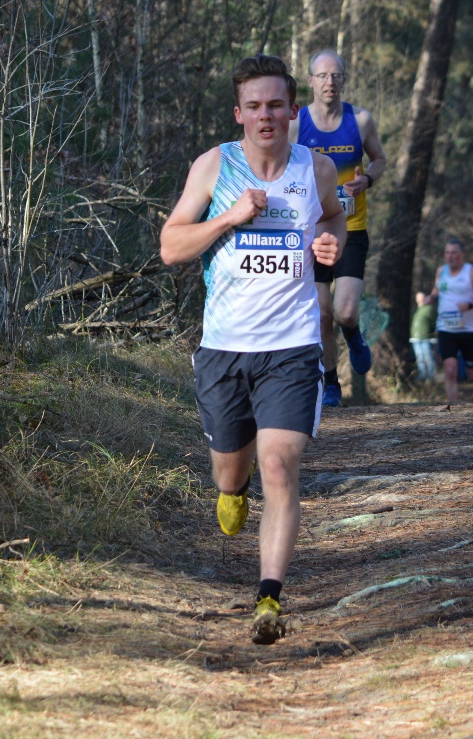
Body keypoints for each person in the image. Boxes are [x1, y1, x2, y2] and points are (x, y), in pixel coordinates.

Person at [160, 54, 347, 643]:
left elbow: (337, 218)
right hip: (224, 348)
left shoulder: (314, 169)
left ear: (294, 111)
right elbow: (170, 246)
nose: (266, 116)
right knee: (232, 469)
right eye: (255, 107)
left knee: (279, 465)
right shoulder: (215, 166)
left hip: (291, 347)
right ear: (239, 113)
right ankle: (231, 490)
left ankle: (269, 597)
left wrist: (329, 243)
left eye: (276, 106)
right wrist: (229, 220)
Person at [292, 49, 388, 408]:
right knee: (321, 312)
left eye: (336, 76)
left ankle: (355, 336)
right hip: (310, 232)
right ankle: (330, 382)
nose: (329, 82)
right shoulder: (295, 124)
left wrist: (369, 180)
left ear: (343, 80)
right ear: (311, 81)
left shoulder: (360, 120)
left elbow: (379, 159)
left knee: (345, 311)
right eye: (322, 76)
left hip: (351, 227)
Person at [428, 239, 473, 403]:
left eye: (454, 252)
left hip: (468, 329)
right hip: (445, 328)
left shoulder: (471, 272)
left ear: (461, 255)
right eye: (447, 253)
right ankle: (453, 408)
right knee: (450, 368)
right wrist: (431, 297)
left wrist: (471, 305)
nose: (450, 256)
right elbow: (437, 290)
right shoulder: (441, 271)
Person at [410, 292, 439, 382]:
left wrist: (433, 332)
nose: (420, 299)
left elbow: (435, 322)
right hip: (415, 338)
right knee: (420, 358)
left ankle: (431, 377)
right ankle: (422, 376)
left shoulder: (429, 309)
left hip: (425, 338)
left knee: (428, 357)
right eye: (418, 298)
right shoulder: (417, 310)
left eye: (421, 297)